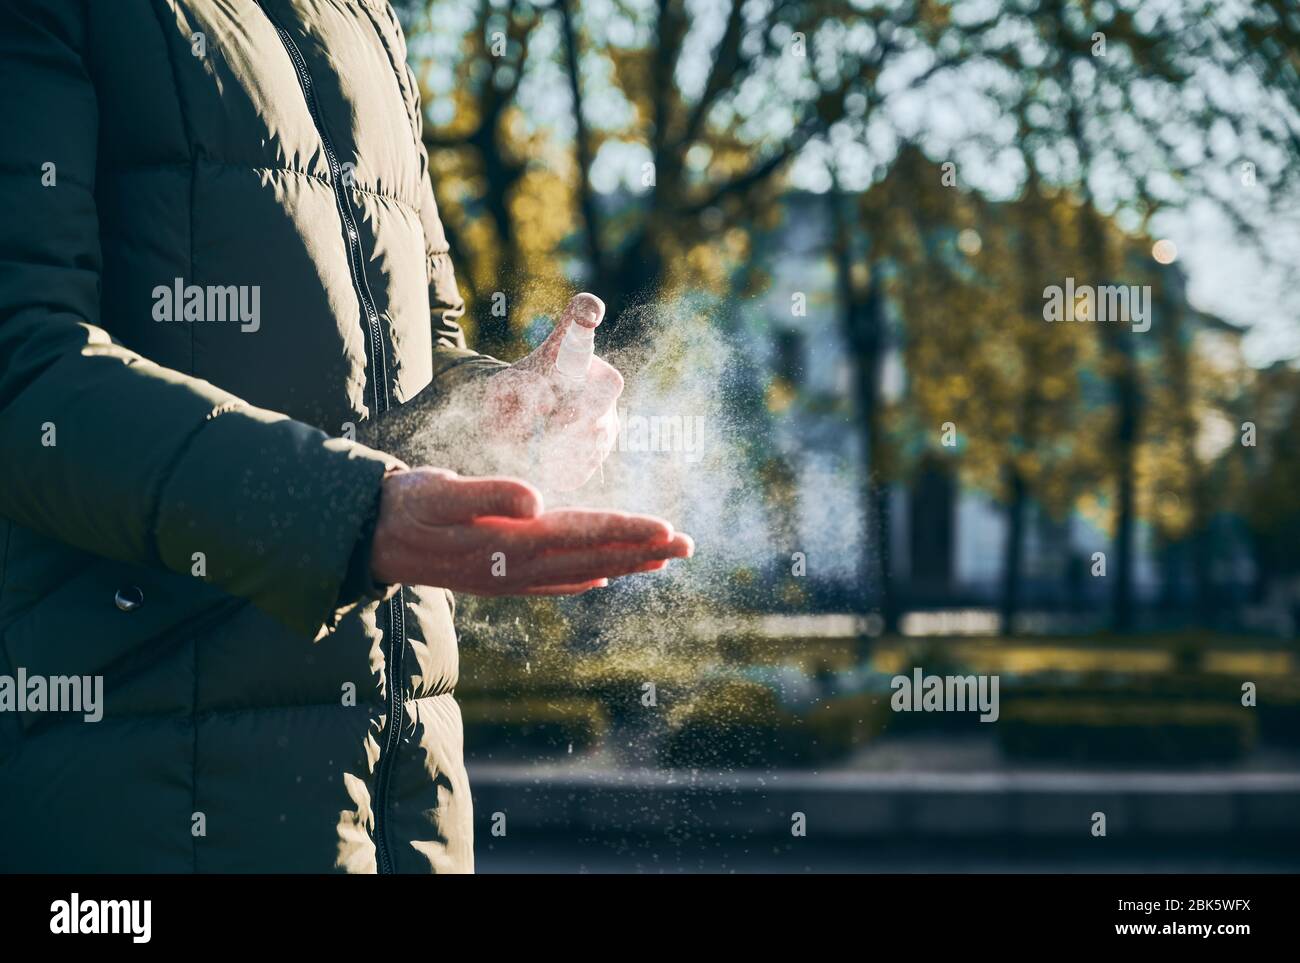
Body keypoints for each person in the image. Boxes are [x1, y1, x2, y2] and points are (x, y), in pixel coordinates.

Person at [0, 0, 691, 873]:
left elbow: (424, 351)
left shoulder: (367, 19)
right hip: (139, 803)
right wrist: (347, 512)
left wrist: (505, 408)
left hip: (409, 803)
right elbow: (24, 369)